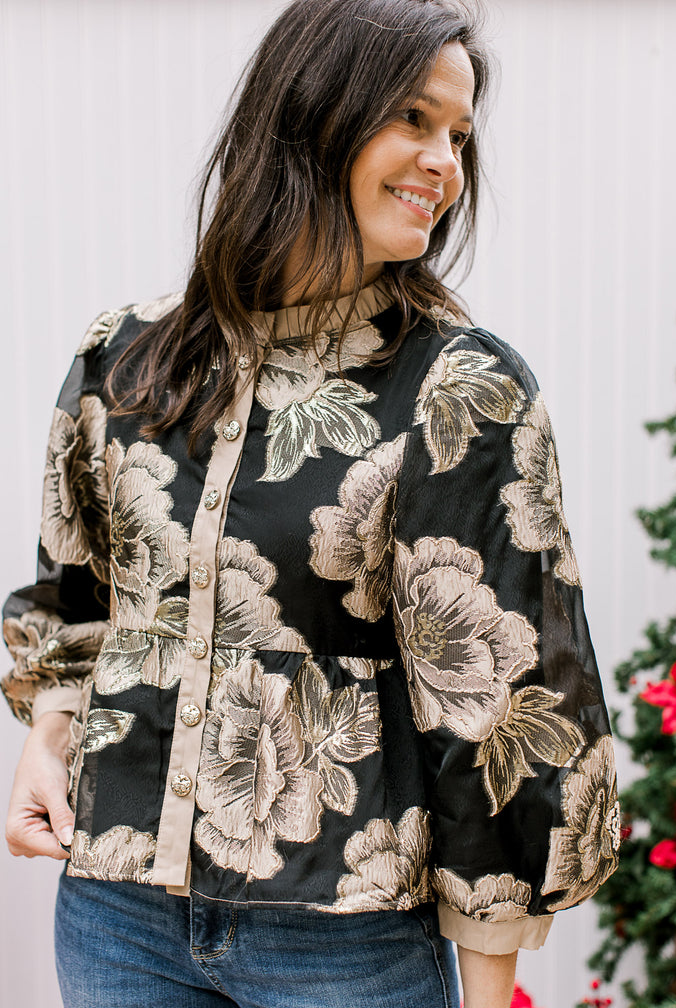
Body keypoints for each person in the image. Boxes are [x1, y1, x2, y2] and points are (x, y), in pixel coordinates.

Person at [2, 1, 620, 1006]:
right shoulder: (122, 355)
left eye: (459, 135)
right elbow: (81, 581)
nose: (445, 163)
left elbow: (501, 700)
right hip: (118, 911)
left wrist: (494, 967)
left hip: (345, 942)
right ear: (312, 112)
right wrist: (51, 732)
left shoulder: (460, 388)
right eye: (415, 119)